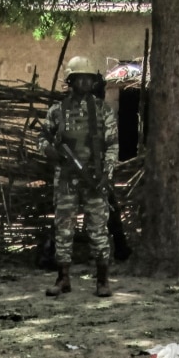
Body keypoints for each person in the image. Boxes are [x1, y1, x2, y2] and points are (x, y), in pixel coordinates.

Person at [40, 56, 118, 297]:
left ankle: (102, 280)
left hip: (94, 179)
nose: (84, 82)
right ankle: (63, 278)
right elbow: (42, 138)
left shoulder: (103, 110)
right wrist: (49, 150)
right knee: (63, 230)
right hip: (66, 179)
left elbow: (113, 145)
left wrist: (107, 173)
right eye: (79, 78)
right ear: (70, 80)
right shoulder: (57, 111)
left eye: (88, 78)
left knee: (98, 230)